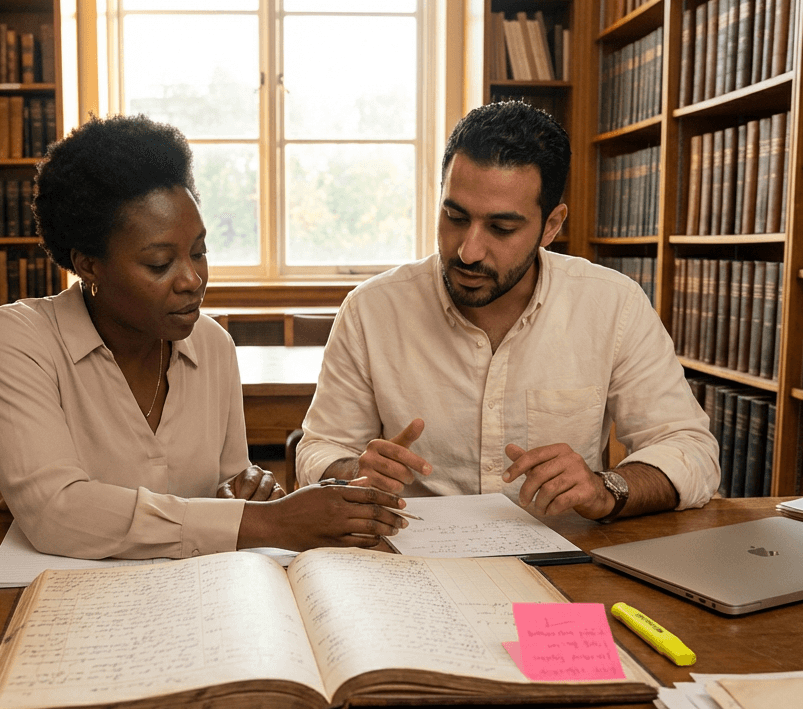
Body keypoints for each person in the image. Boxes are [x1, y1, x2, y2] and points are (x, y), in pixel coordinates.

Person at [0, 114, 408, 559]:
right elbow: (55, 511)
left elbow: (230, 487)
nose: (192, 279)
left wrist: (247, 490)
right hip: (43, 586)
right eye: (160, 264)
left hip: (191, 587)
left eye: (199, 251)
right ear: (88, 265)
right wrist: (271, 521)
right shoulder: (17, 340)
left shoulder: (213, 346)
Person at [296, 101, 719, 523]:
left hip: (565, 555)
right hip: (413, 551)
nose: (468, 251)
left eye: (501, 228)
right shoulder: (371, 309)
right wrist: (353, 472)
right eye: (454, 216)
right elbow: (320, 449)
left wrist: (606, 489)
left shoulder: (613, 305)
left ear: (551, 226)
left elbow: (693, 451)